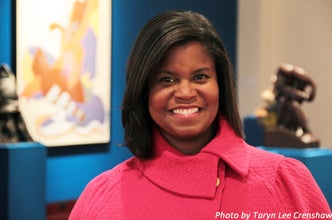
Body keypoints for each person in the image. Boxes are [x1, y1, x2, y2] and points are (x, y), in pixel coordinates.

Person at [69, 10, 331, 219]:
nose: (185, 92)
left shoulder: (284, 181)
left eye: (200, 77)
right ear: (144, 91)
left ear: (221, 86)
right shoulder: (102, 197)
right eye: (167, 79)